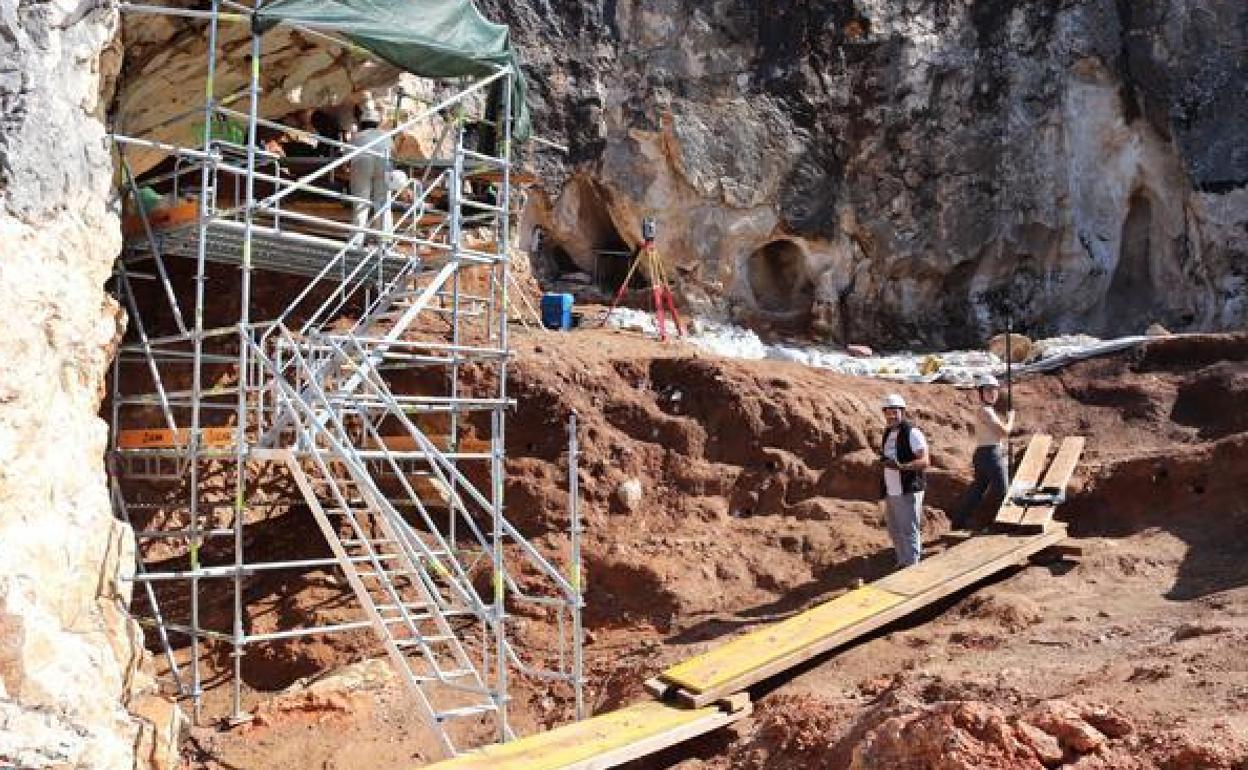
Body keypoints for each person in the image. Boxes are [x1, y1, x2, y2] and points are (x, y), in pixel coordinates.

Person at [950, 373, 1015, 530]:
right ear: (981, 393)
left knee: (978, 488)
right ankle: (1000, 525)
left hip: (984, 454)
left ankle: (959, 522)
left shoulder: (987, 411)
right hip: (991, 455)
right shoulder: (986, 411)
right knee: (1003, 491)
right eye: (988, 390)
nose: (992, 393)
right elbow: (1004, 432)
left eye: (994, 390)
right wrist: (1011, 418)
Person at [879, 393, 930, 568]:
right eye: (888, 412)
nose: (891, 416)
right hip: (892, 489)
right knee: (895, 530)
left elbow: (924, 461)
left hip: (908, 489)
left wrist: (901, 467)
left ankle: (912, 567)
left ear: (902, 412)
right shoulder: (888, 433)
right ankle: (903, 562)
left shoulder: (913, 433)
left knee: (909, 530)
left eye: (895, 412)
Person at [349, 104, 393, 242]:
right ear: (377, 123)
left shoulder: (357, 136)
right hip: (383, 163)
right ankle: (385, 240)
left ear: (362, 123)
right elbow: (393, 152)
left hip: (362, 162)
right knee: (382, 202)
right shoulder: (386, 136)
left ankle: (357, 240)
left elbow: (346, 154)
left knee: (361, 203)